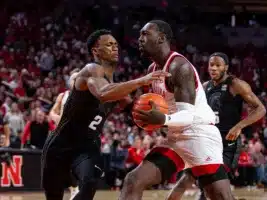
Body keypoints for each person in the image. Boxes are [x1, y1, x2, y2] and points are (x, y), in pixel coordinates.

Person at [41, 29, 170, 200]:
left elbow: (137, 113)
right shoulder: (90, 70)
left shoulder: (120, 91)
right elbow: (103, 93)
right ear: (95, 51)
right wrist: (141, 81)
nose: (114, 48)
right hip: (61, 142)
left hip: (87, 146)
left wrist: (163, 118)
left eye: (116, 44)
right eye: (109, 45)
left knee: (88, 184)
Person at [119, 20, 234, 200]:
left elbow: (187, 116)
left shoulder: (179, 66)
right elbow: (156, 110)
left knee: (220, 197)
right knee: (133, 180)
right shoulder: (152, 69)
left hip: (199, 136)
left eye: (145, 34)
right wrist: (131, 108)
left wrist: (162, 119)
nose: (140, 39)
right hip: (175, 138)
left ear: (161, 38)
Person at [166, 52, 266, 200]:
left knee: (212, 187)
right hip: (206, 140)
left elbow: (260, 109)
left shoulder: (236, 85)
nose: (213, 68)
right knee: (191, 181)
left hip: (227, 143)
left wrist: (239, 126)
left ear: (226, 67)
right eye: (211, 65)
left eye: (218, 65)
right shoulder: (204, 87)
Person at [48, 70, 79, 200]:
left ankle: (75, 187)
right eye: (74, 79)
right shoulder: (63, 95)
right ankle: (73, 187)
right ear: (69, 82)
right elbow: (51, 112)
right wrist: (57, 118)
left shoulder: (86, 97)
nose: (76, 81)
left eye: (79, 79)